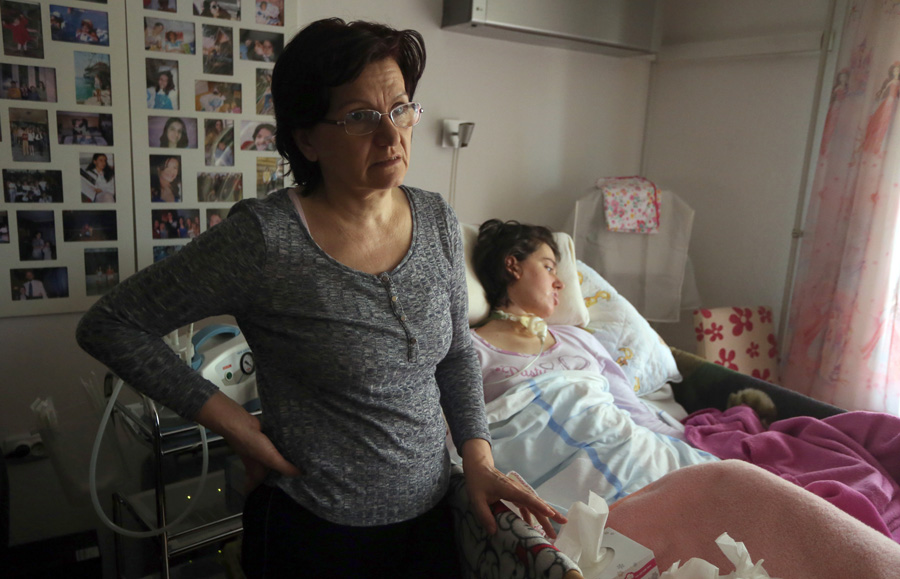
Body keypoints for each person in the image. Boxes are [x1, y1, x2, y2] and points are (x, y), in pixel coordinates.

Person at [76, 18, 564, 578]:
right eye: (360, 118)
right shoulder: (265, 239)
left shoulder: (437, 221)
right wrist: (237, 426)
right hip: (313, 534)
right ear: (307, 139)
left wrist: (478, 457)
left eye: (400, 109)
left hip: (429, 521)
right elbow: (111, 323)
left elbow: (455, 354)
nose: (391, 137)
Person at [469, 219, 718, 505]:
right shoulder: (471, 350)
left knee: (729, 485)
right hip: (564, 480)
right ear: (513, 265)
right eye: (548, 267)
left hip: (632, 451)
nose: (560, 282)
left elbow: (632, 413)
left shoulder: (578, 339)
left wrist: (696, 448)